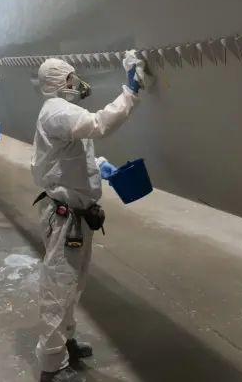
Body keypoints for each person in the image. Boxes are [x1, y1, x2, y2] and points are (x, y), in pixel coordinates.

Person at [31, 52, 145, 382]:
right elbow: (98, 125)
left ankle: (65, 340)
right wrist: (130, 92)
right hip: (65, 218)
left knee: (73, 284)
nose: (76, 82)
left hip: (76, 217)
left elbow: (77, 151)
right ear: (58, 84)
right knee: (58, 286)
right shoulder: (56, 111)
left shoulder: (65, 112)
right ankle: (52, 366)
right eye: (71, 77)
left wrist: (101, 168)